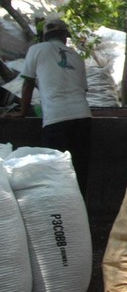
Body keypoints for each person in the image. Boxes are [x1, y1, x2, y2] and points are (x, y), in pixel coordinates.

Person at [15, 18, 92, 198]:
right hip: (83, 116)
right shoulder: (76, 56)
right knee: (79, 168)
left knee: (54, 169)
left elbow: (27, 84)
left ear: (45, 36)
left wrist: (22, 112)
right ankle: (79, 210)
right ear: (65, 36)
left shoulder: (36, 50)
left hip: (56, 118)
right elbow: (82, 89)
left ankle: (58, 210)